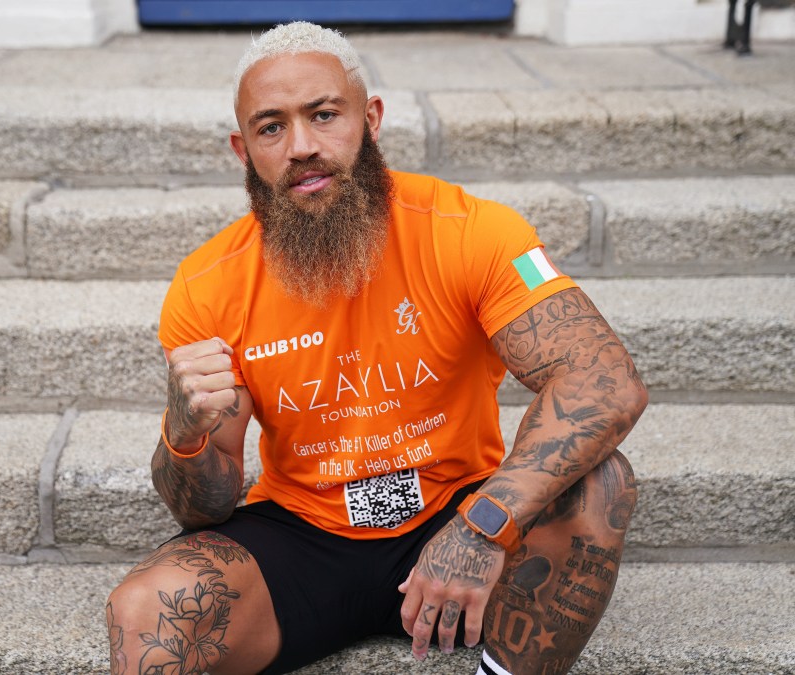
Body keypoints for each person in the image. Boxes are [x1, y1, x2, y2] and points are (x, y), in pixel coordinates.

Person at [106, 21, 647, 675]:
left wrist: (483, 525)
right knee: (144, 609)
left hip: (454, 511)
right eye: (271, 127)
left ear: (371, 118)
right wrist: (184, 433)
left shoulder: (471, 232)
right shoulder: (207, 284)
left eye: (324, 114)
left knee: (601, 481)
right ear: (242, 149)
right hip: (301, 534)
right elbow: (204, 507)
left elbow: (604, 378)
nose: (301, 145)